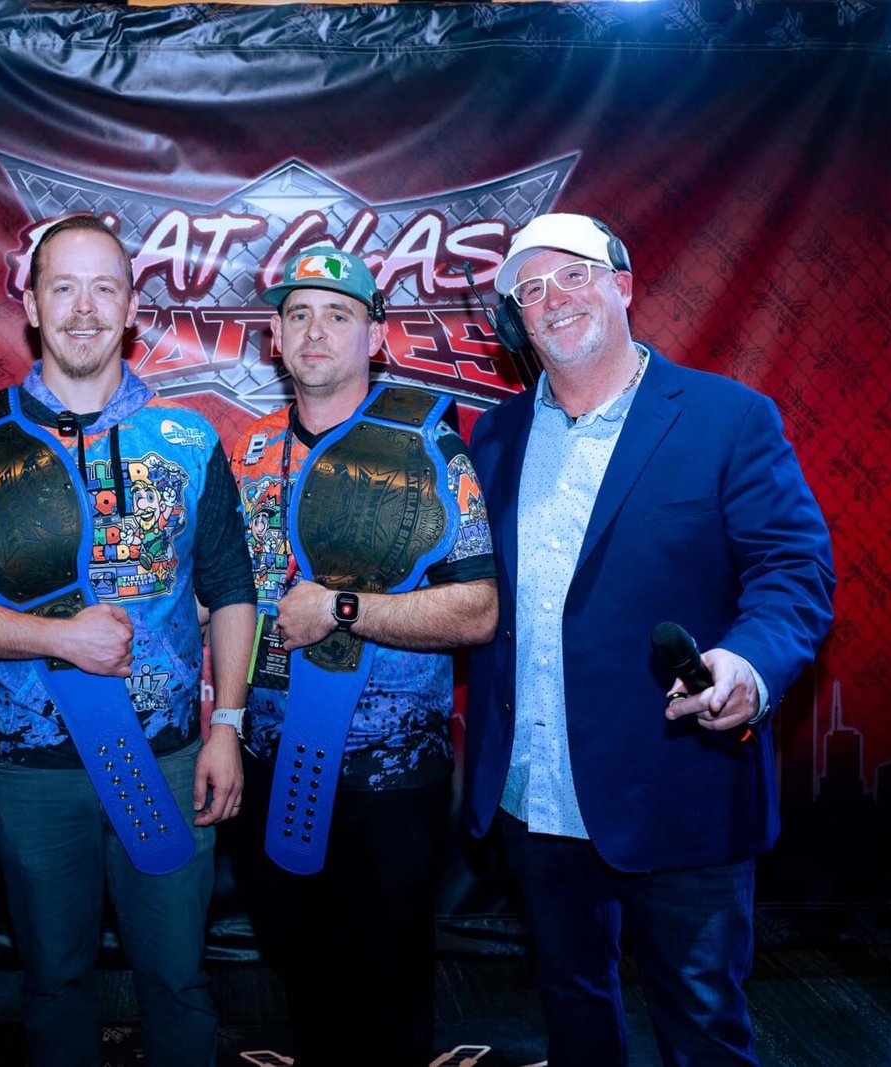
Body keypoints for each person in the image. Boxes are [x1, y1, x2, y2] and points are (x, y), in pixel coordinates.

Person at [463, 213, 836, 1066]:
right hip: (533, 789)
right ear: (517, 321)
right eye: (530, 290)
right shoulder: (497, 436)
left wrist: (748, 664)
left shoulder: (727, 417)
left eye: (573, 275)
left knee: (702, 1026)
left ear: (622, 286)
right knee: (573, 1010)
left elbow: (794, 571)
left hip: (677, 785)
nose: (553, 299)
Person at [0, 214, 256, 1067]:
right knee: (54, 986)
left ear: (132, 308)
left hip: (169, 759)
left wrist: (227, 725)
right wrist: (57, 638)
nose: (84, 308)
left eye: (105, 288)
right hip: (33, 774)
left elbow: (232, 589)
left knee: (179, 983)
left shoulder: (189, 440)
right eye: (62, 287)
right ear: (32, 305)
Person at [227, 244, 497, 1066]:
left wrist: (344, 608)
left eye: (338, 314)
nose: (316, 330)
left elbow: (479, 610)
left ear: (374, 335)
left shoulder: (428, 445)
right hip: (269, 767)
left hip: (389, 785)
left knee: (389, 1000)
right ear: (275, 336)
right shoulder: (248, 450)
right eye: (299, 314)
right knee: (304, 987)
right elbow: (224, 599)